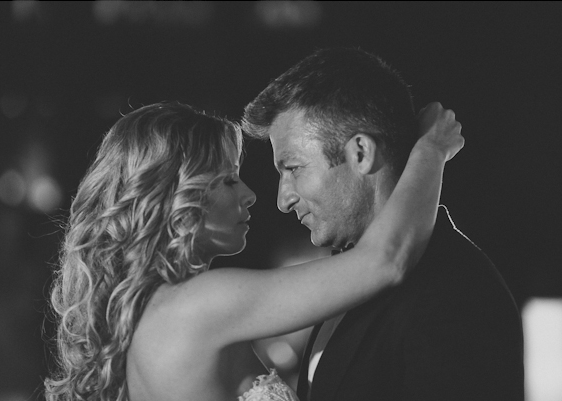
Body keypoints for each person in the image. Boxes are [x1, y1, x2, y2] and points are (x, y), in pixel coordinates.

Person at [44, 98, 462, 401]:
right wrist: (432, 150)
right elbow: (383, 261)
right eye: (228, 180)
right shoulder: (202, 303)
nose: (250, 195)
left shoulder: (147, 317)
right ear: (175, 196)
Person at [242, 47, 524, 401]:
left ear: (361, 152)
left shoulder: (455, 291)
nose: (284, 200)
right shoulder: (342, 275)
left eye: (294, 168)